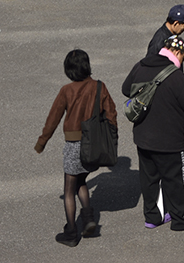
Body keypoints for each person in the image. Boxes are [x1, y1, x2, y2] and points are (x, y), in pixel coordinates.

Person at [121, 35, 184, 233]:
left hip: (143, 137)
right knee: (175, 181)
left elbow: (126, 89)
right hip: (170, 140)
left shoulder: (140, 65)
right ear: (177, 52)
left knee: (149, 179)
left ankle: (153, 217)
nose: (182, 62)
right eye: (183, 57)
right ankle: (181, 221)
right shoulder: (176, 77)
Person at [35, 49, 118, 247]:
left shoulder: (66, 90)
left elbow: (53, 118)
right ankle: (88, 219)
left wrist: (42, 142)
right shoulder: (99, 87)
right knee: (81, 180)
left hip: (74, 146)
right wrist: (111, 138)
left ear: (69, 70)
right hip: (93, 146)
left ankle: (71, 233)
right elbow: (111, 114)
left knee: (69, 189)